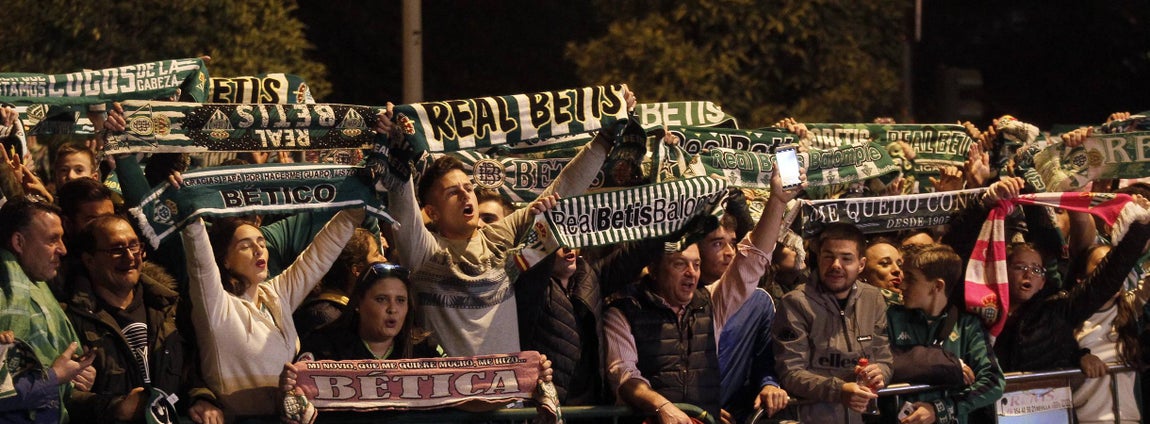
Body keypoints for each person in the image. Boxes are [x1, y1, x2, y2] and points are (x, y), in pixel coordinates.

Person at [377, 89, 635, 356]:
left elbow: (563, 190)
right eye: (453, 192)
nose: (466, 195)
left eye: (468, 187)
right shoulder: (424, 253)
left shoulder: (499, 237)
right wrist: (396, 148)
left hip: (508, 396)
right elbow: (402, 203)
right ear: (432, 211)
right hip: (451, 397)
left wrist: (605, 137)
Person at [605, 167, 799, 423]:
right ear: (653, 268)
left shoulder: (708, 303)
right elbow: (623, 374)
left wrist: (777, 201)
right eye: (679, 264)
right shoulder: (623, 311)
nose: (691, 273)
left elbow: (752, 259)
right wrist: (662, 406)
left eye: (696, 265)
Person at [179, 206, 366, 419]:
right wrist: (190, 212)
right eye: (245, 246)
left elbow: (320, 255)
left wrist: (356, 209)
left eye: (261, 243)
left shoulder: (277, 294)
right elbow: (199, 259)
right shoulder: (215, 306)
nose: (258, 250)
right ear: (225, 260)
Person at [63, 215, 223, 423]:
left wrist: (201, 398)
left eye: (134, 246)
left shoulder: (169, 306)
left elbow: (190, 369)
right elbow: (67, 397)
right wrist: (116, 408)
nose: (130, 256)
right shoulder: (72, 318)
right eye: (116, 249)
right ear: (89, 260)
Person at [772, 222, 893, 424]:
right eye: (828, 257)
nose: (836, 265)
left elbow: (884, 358)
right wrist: (839, 390)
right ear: (818, 259)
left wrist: (881, 373)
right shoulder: (795, 303)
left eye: (846, 258)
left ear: (861, 264)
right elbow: (791, 372)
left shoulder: (873, 298)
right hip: (810, 417)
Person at [883, 243, 1004, 424]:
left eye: (911, 278)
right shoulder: (891, 317)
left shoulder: (967, 326)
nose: (902, 284)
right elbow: (882, 364)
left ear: (937, 286)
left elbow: (994, 382)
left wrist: (942, 408)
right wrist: (948, 365)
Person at [0, 197, 93, 423]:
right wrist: (54, 377)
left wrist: (75, 376)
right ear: (19, 242)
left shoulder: (39, 287)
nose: (63, 249)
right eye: (53, 240)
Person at [1072, 244, 1146, 424]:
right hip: (1087, 420)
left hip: (1129, 420)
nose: (1112, 272)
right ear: (1081, 280)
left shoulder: (1131, 311)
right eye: (1102, 264)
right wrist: (1078, 357)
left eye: (1115, 265)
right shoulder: (1067, 317)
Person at [292, 228, 388, 339]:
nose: (384, 259)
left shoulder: (342, 311)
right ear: (358, 270)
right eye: (376, 255)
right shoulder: (325, 318)